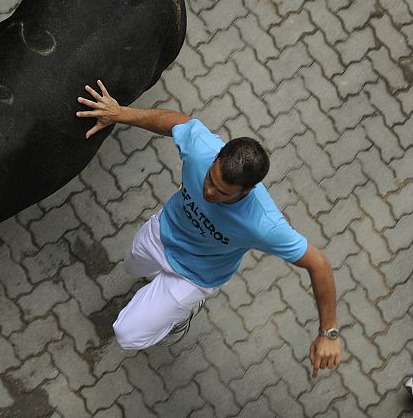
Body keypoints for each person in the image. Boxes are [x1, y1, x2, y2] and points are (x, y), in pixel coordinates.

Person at [77, 80, 342, 378]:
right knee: (131, 267)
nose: (209, 192)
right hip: (162, 235)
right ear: (216, 157)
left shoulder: (263, 224)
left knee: (127, 333)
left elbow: (318, 264)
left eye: (221, 192)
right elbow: (177, 123)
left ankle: (181, 313)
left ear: (245, 192)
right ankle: (157, 290)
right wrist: (119, 113)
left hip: (195, 277)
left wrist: (328, 333)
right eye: (210, 180)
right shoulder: (200, 149)